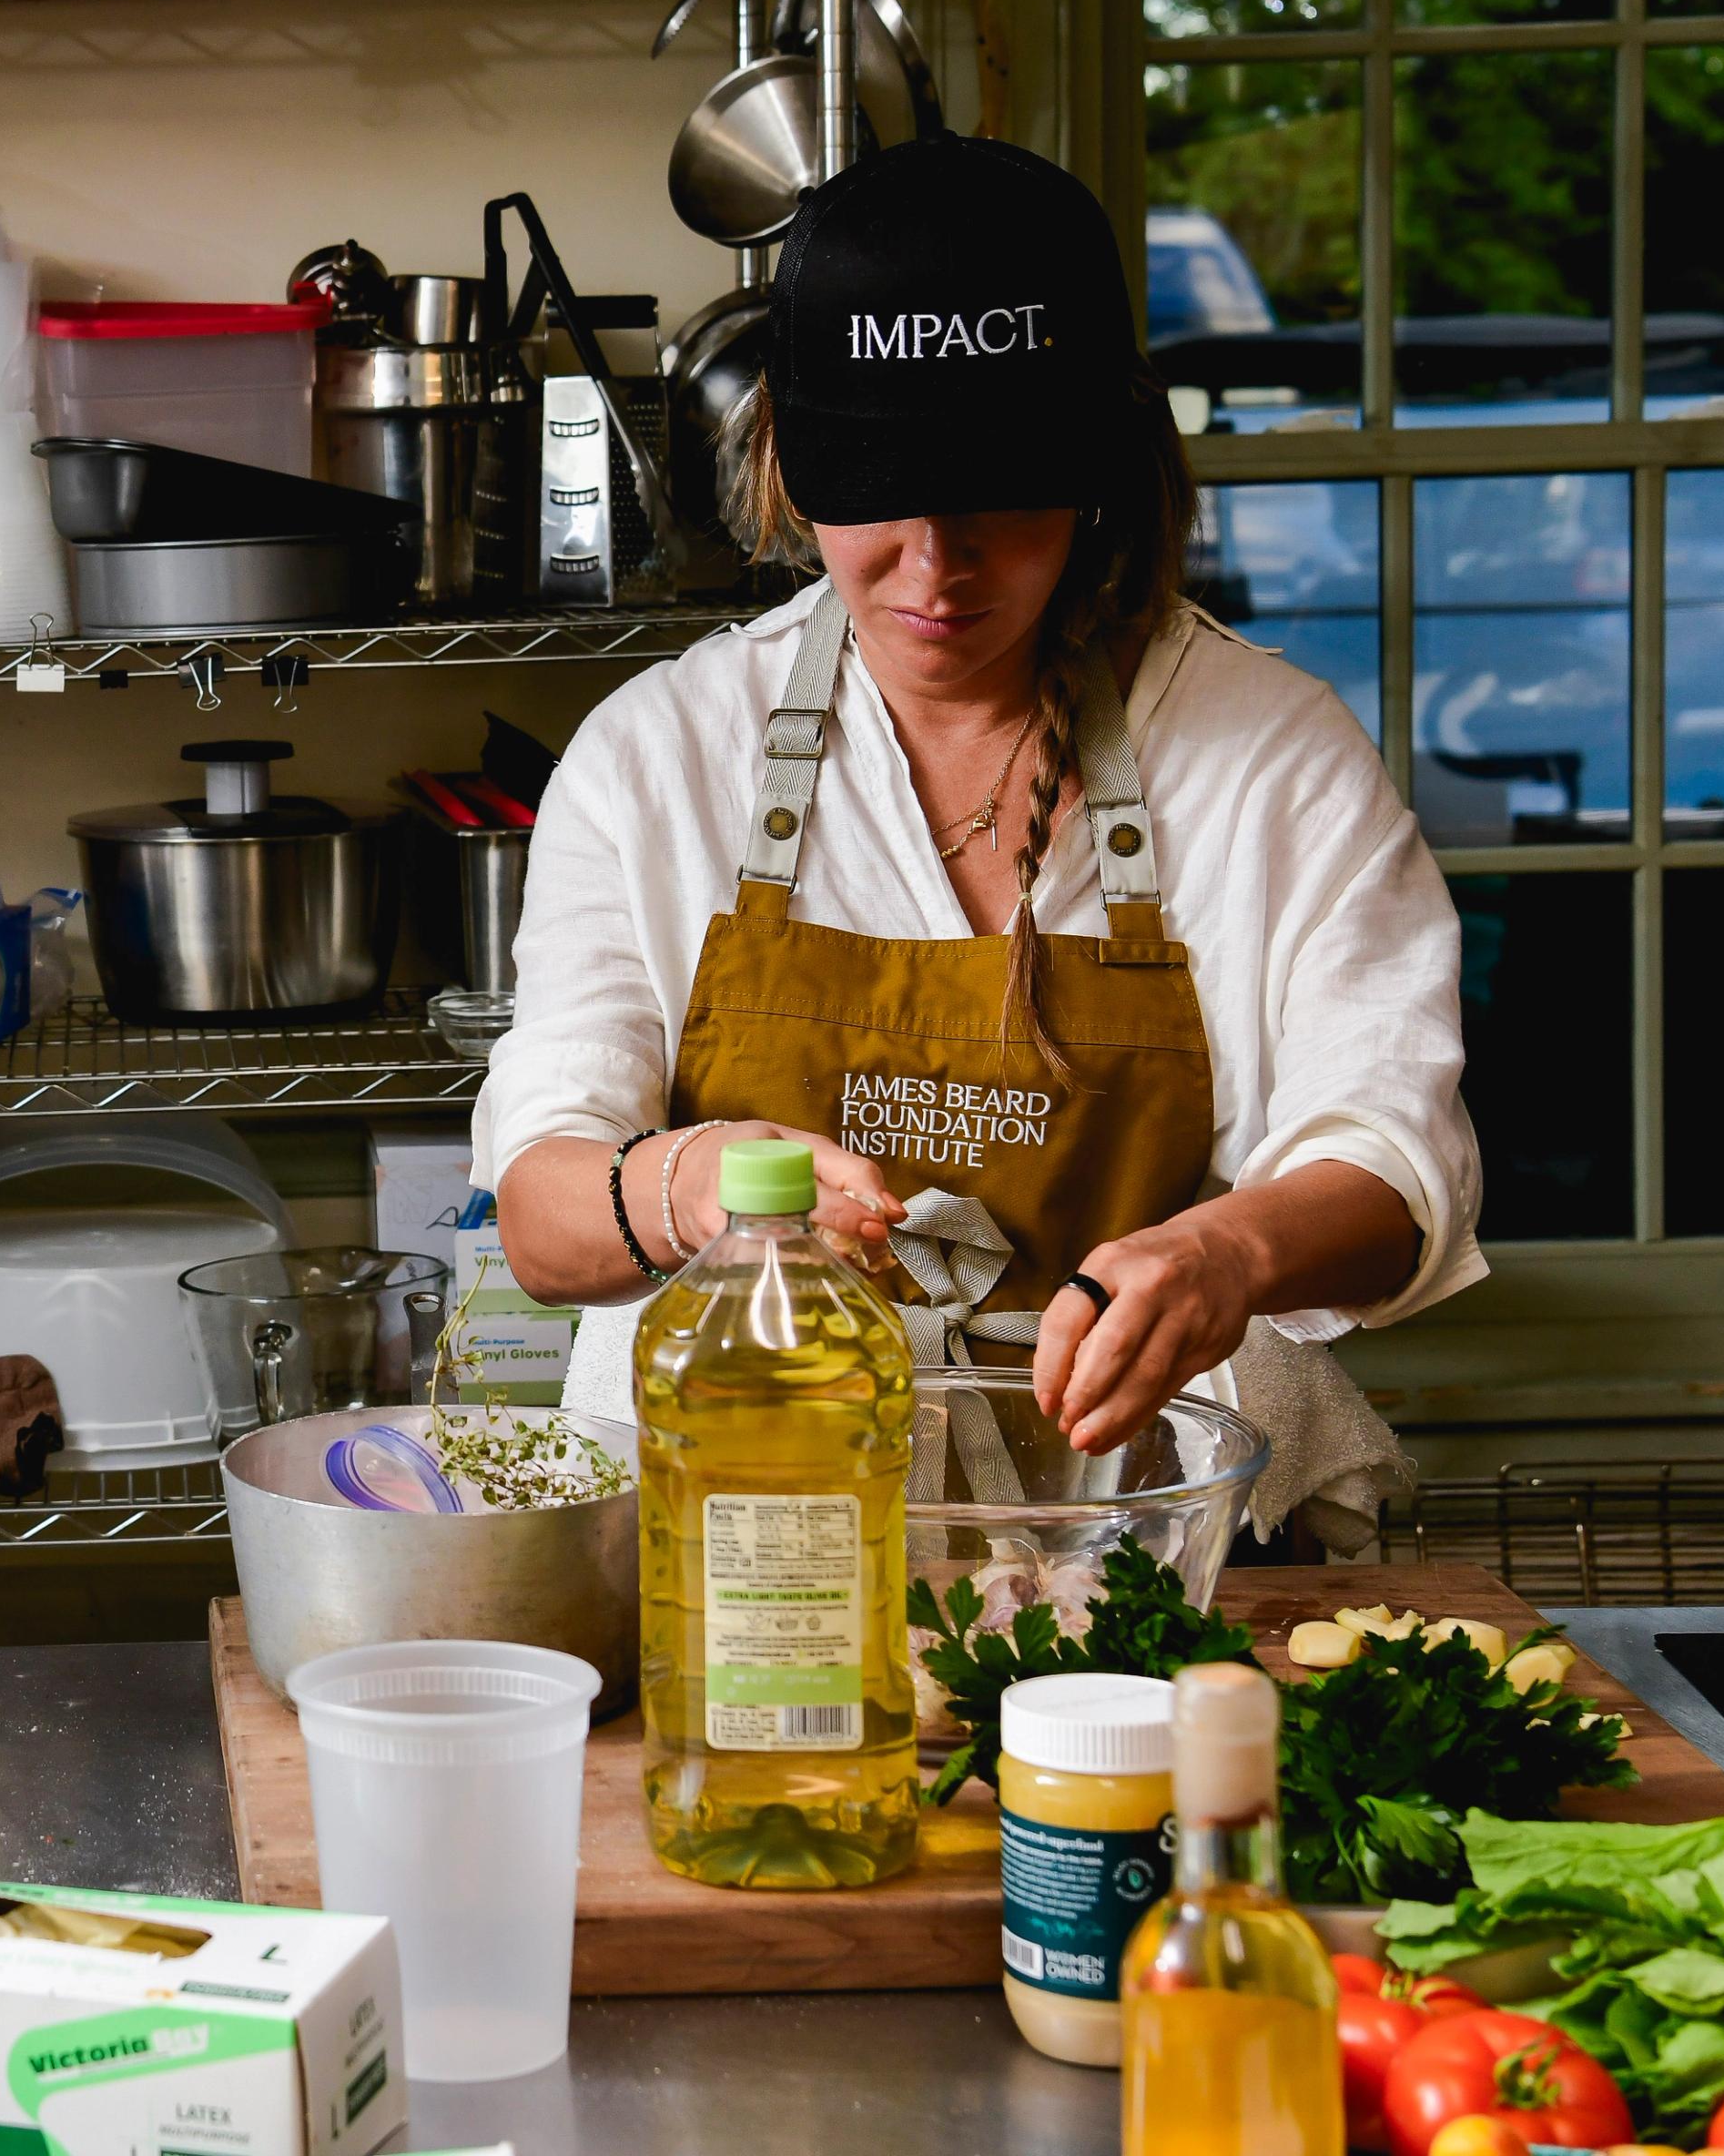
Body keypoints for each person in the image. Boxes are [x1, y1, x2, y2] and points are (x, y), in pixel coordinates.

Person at [482, 135, 1481, 1531]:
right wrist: (696, 1186)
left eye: (1000, 499)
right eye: (877, 489)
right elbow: (541, 1215)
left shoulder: (1269, 758)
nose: (937, 568)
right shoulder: (660, 759)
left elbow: (1395, 1165)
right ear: (786, 460)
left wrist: (1228, 1254)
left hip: (1141, 1527)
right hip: (738, 1534)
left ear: (1098, 468)